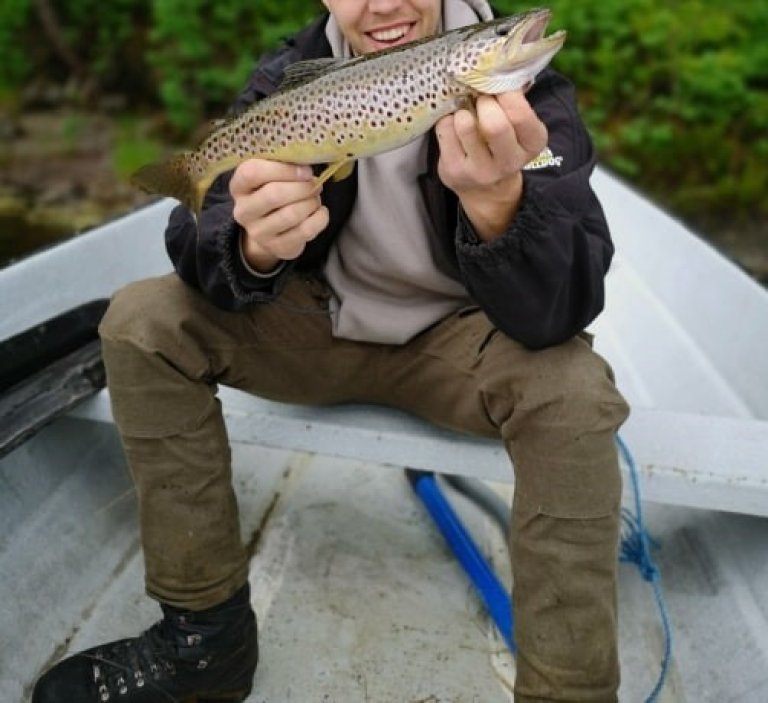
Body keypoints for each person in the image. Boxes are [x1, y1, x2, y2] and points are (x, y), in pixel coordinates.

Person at [33, 0, 630, 701]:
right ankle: (206, 638)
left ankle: (570, 689)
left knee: (577, 393)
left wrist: (501, 205)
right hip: (317, 325)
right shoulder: (288, 79)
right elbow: (196, 243)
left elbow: (565, 305)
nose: (381, 4)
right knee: (140, 320)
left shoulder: (535, 98)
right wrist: (251, 249)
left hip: (464, 338)